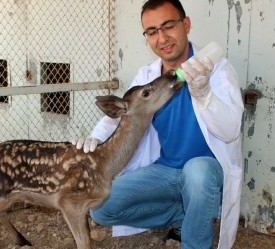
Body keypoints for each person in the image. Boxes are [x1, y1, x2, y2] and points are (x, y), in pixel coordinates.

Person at [72, 0, 244, 248]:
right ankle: (183, 215)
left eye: (168, 26)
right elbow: (124, 111)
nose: (162, 38)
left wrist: (205, 95)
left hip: (205, 171)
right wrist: (95, 139)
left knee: (197, 173)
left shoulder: (216, 69)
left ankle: (194, 241)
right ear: (146, 37)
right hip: (166, 169)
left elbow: (229, 131)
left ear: (186, 25)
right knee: (100, 206)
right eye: (152, 32)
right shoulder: (147, 76)